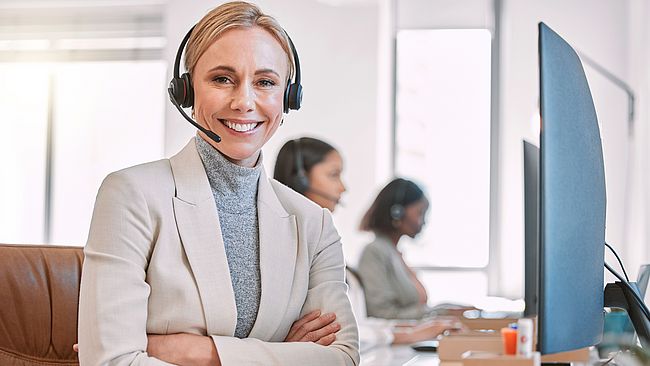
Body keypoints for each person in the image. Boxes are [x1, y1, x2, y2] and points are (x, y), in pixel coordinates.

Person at [77, 2, 359, 365]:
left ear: (288, 98)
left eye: (265, 82)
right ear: (187, 92)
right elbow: (111, 362)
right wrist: (282, 353)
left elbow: (344, 359)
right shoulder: (131, 195)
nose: (244, 102)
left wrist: (194, 351)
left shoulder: (314, 225)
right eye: (222, 79)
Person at [274, 138, 457, 352]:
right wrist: (409, 333)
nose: (343, 187)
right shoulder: (286, 251)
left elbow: (354, 324)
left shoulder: (324, 245)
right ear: (301, 180)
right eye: (334, 175)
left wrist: (414, 329)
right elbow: (335, 331)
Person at [357, 178, 433, 320]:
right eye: (420, 213)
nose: (423, 221)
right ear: (397, 212)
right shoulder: (374, 252)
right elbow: (380, 314)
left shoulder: (394, 252)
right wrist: (432, 315)